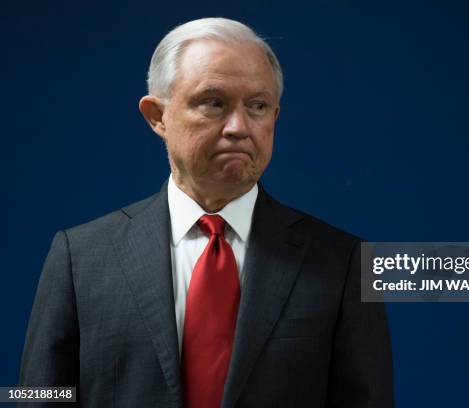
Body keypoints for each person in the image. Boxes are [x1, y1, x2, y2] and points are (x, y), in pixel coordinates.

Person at [20, 17, 393, 408]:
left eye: (258, 106)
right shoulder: (78, 258)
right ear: (157, 116)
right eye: (214, 103)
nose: (239, 127)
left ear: (275, 117)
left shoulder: (344, 261)